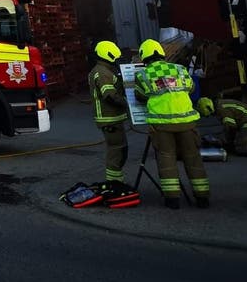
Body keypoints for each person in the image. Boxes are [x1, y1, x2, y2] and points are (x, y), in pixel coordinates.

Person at [134, 39, 209, 209]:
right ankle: (202, 196)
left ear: (144, 57)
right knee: (193, 158)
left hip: (162, 125)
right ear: (161, 53)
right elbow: (191, 89)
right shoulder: (180, 69)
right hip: (187, 122)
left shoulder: (142, 75)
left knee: (166, 159)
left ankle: (172, 199)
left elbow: (140, 96)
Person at [88, 40, 130, 184]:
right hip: (109, 119)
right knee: (117, 151)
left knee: (120, 150)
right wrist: (127, 102)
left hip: (112, 118)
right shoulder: (102, 72)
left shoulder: (104, 70)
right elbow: (110, 96)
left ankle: (116, 182)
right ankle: (114, 184)